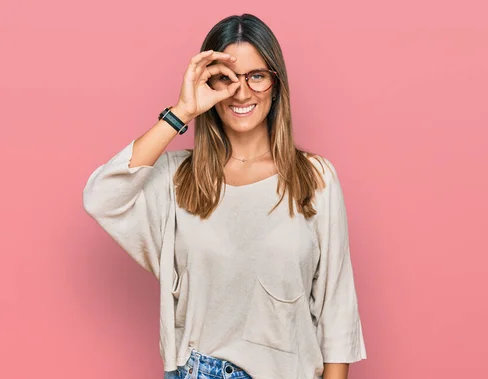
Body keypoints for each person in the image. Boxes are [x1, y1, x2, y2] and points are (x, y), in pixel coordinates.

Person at [83, 13, 366, 379]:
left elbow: (337, 311)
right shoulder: (177, 179)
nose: (242, 92)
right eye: (226, 79)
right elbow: (101, 197)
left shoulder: (315, 178)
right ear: (207, 85)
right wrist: (181, 111)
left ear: (276, 84)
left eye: (257, 76)